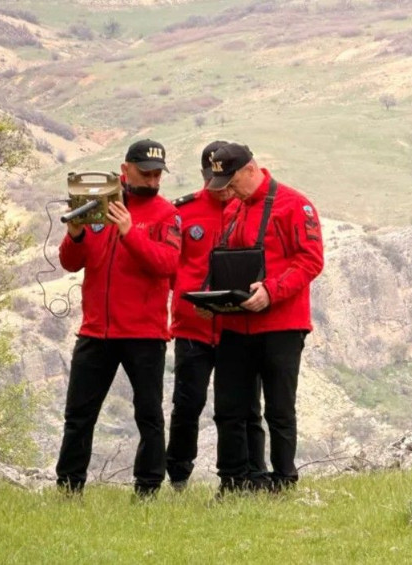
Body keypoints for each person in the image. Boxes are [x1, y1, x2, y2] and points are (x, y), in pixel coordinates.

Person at [55, 139, 181, 498]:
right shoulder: (97, 207)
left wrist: (130, 233)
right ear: (125, 170)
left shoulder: (167, 215)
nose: (153, 181)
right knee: (79, 415)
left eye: (158, 174)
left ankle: (148, 488)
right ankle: (68, 487)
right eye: (146, 173)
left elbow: (167, 265)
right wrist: (76, 233)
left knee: (148, 415)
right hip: (96, 330)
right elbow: (70, 262)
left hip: (144, 334)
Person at [206, 142, 324, 494]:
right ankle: (236, 481)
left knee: (279, 408)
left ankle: (284, 479)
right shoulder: (232, 209)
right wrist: (211, 297)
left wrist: (272, 290)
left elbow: (310, 261)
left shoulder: (293, 205)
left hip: (282, 326)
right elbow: (225, 263)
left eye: (231, 180)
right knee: (230, 407)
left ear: (250, 169)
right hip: (235, 325)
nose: (227, 188)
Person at [166, 140, 268, 490]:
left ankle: (252, 475)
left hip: (235, 328)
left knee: (245, 407)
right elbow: (168, 268)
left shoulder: (248, 208)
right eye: (214, 179)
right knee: (187, 403)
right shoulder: (182, 212)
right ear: (204, 175)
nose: (222, 190)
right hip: (192, 327)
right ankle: (178, 475)